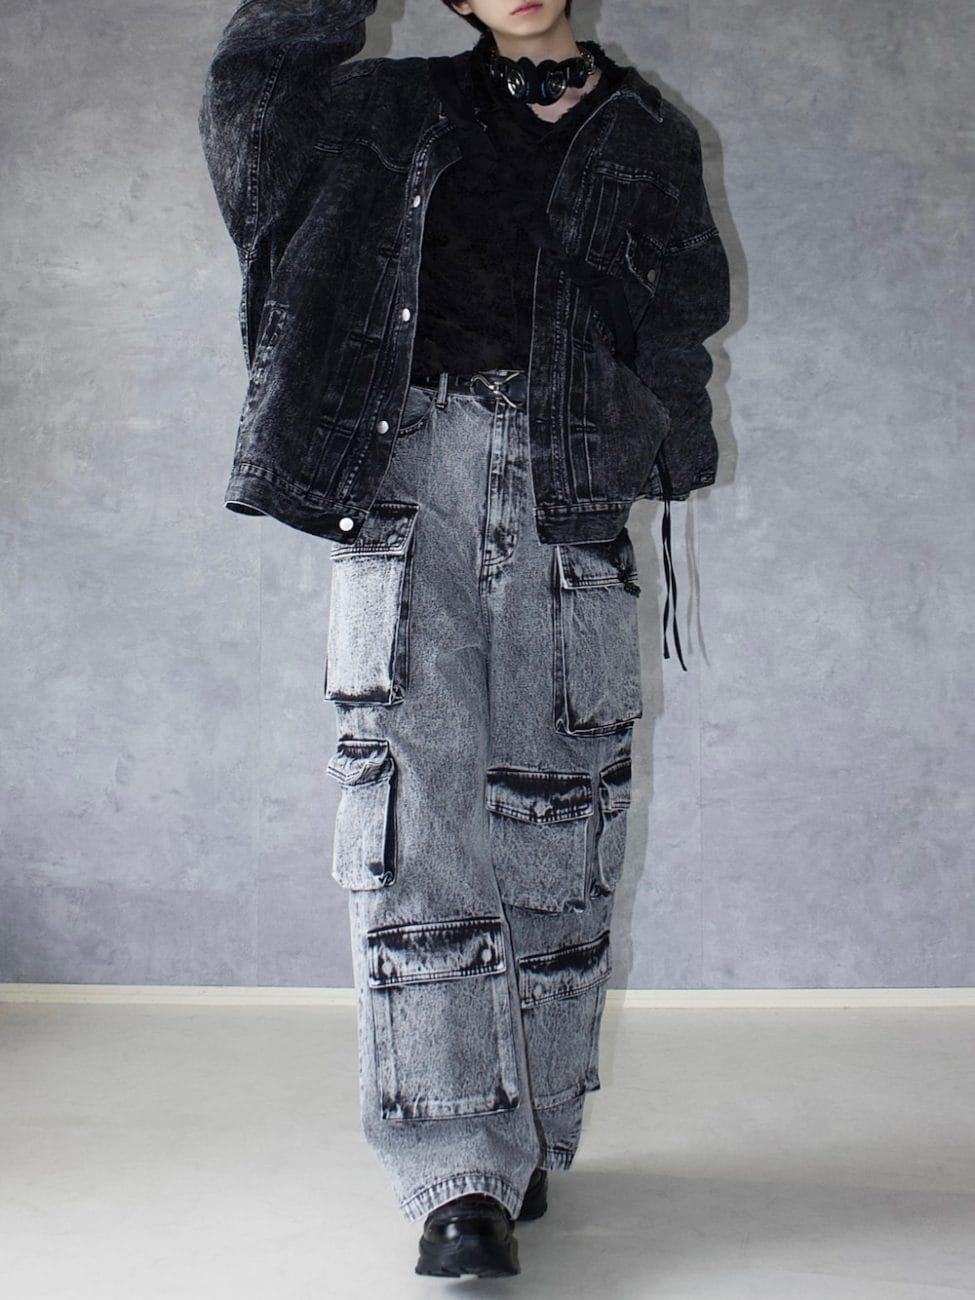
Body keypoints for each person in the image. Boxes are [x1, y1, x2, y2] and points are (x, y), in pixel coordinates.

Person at [199, 0, 729, 1279]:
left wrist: (644, 438)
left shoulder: (648, 131)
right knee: (415, 820)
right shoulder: (386, 111)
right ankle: (455, 1172)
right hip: (409, 482)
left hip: (567, 489)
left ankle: (528, 1129)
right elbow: (250, 100)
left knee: (558, 824)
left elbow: (681, 316)